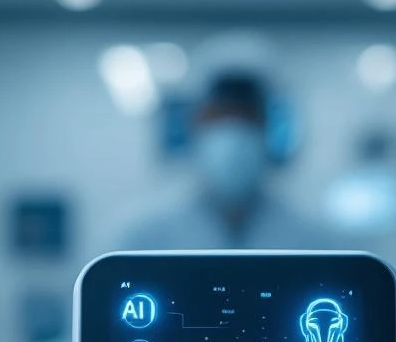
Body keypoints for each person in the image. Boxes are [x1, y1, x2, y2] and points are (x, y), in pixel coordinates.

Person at [119, 71, 343, 251]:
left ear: (267, 131)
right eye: (217, 118)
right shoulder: (140, 237)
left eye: (246, 119)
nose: (233, 134)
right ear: (192, 129)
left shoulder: (319, 240)